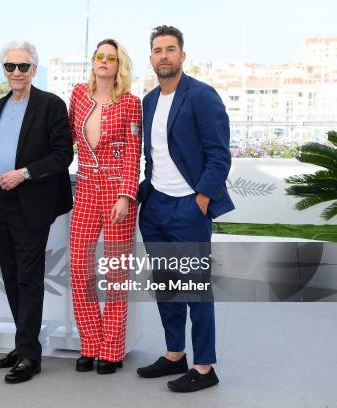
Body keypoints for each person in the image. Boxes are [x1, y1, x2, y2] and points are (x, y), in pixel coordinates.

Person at [136, 25, 234, 392]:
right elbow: (153, 157)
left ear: (182, 55)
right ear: (151, 58)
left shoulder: (202, 96)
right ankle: (175, 353)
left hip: (189, 208)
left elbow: (219, 155)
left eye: (170, 49)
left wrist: (202, 200)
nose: (164, 55)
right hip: (156, 206)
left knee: (195, 289)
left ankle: (205, 367)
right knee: (166, 286)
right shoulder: (148, 101)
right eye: (158, 50)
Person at [0, 40, 73, 384]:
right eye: (10, 66)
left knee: (28, 278)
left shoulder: (51, 105)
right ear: (4, 70)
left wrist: (24, 173)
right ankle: (23, 343)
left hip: (32, 203)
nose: (17, 72)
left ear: (34, 70)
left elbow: (62, 154)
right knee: (10, 276)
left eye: (23, 67)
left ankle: (29, 356)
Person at [68, 39, 142, 375]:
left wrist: (127, 195)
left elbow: (133, 151)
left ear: (119, 65)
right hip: (84, 188)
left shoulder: (130, 103)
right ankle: (90, 345)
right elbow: (64, 139)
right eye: (99, 56)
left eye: (110, 58)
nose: (103, 62)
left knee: (116, 274)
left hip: (117, 195)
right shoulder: (78, 97)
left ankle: (112, 350)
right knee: (80, 269)